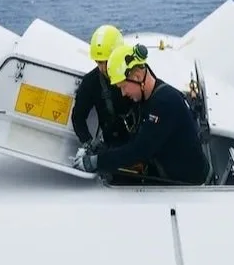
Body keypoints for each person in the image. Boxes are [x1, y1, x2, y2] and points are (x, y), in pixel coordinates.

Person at [74, 42, 208, 186]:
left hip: (187, 185)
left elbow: (138, 151)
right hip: (168, 170)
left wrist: (95, 162)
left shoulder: (164, 103)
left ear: (137, 77)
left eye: (124, 86)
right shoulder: (154, 94)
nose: (123, 93)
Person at [71, 24, 135, 147]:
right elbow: (78, 117)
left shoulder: (135, 74)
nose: (104, 68)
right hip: (112, 143)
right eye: (99, 62)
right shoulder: (91, 82)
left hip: (139, 141)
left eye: (107, 62)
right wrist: (88, 143)